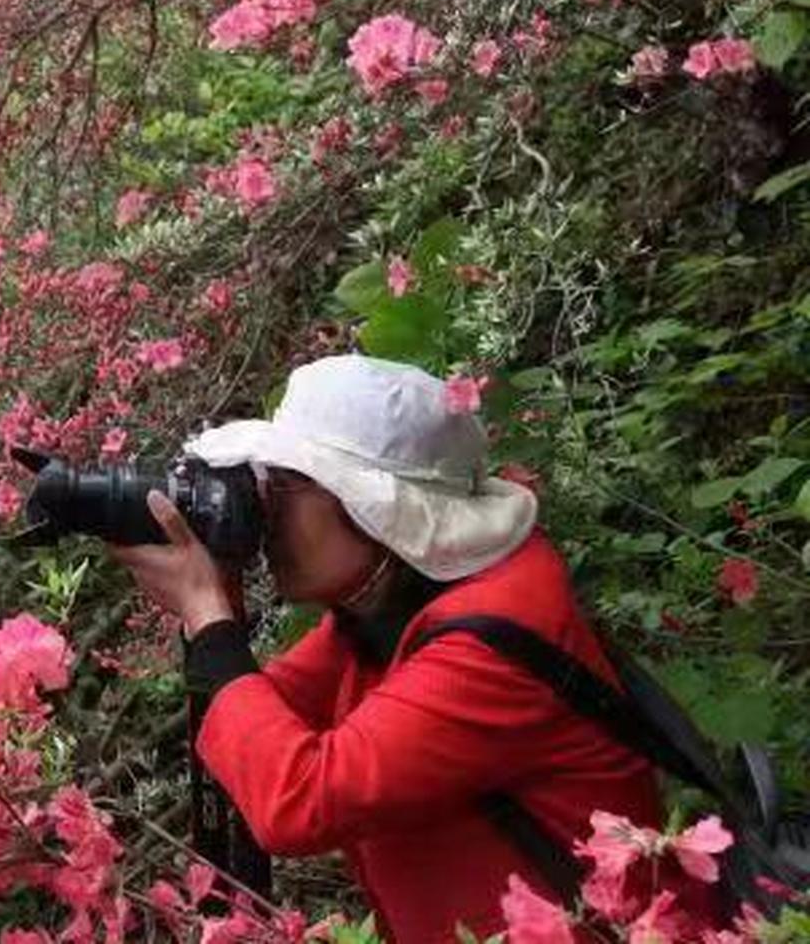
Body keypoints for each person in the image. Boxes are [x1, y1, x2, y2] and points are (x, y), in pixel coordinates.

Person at [112, 354, 708, 944]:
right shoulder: (388, 607)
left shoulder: (489, 638)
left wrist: (208, 616)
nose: (265, 513)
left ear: (376, 509)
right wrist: (218, 606)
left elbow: (296, 801)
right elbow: (256, 715)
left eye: (285, 486)